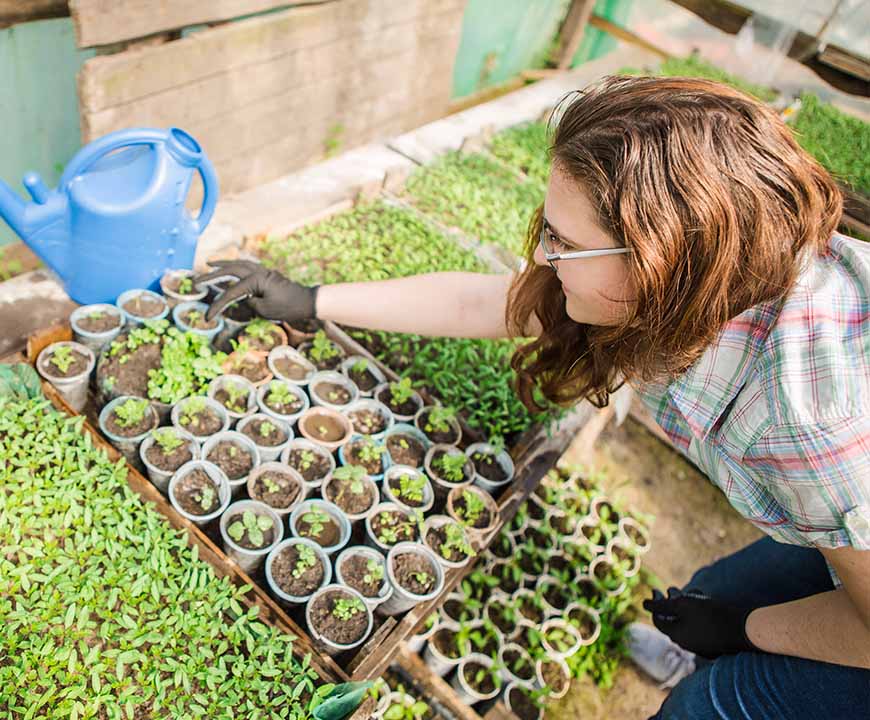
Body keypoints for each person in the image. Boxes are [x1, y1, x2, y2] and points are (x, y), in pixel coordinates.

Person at [198, 75, 870, 718]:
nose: (544, 258)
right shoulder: (702, 279)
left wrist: (744, 631)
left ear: (660, 261)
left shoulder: (806, 427)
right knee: (719, 594)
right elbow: (493, 301)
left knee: (715, 700)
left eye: (565, 242)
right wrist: (310, 301)